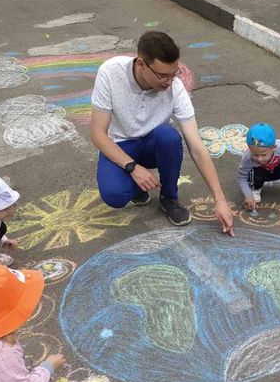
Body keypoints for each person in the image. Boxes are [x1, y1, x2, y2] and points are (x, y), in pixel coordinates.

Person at [90, 30, 234, 235]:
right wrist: (133, 168)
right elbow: (98, 134)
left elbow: (197, 147)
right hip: (121, 144)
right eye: (163, 76)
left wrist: (220, 200)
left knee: (169, 136)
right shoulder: (110, 73)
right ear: (141, 64)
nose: (169, 81)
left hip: (153, 144)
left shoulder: (174, 87)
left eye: (174, 74)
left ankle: (169, 197)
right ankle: (137, 186)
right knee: (114, 195)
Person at [237, 123, 280, 209]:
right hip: (261, 174)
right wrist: (248, 195)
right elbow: (242, 177)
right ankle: (255, 189)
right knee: (252, 168)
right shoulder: (248, 157)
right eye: (255, 154)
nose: (259, 159)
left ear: (274, 147)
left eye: (263, 154)